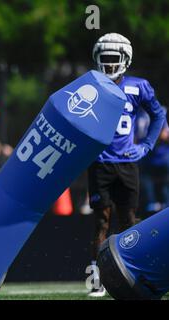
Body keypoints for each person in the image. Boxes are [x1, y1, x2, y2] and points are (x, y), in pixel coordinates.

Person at [87, 33, 166, 297]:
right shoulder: (90, 85)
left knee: (129, 222)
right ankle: (97, 278)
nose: (109, 65)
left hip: (127, 163)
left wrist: (147, 145)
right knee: (101, 221)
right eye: (105, 59)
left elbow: (158, 114)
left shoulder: (138, 86)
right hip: (100, 162)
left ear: (126, 59)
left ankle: (130, 271)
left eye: (114, 59)